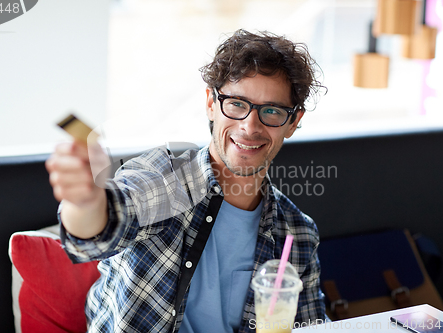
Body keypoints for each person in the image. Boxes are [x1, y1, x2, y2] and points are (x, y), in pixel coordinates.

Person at [46, 29, 327, 333]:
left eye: (271, 111)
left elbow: (310, 326)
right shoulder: (162, 180)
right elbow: (98, 230)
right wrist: (87, 201)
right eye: (236, 103)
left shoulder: (297, 234)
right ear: (211, 103)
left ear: (293, 122)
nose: (250, 126)